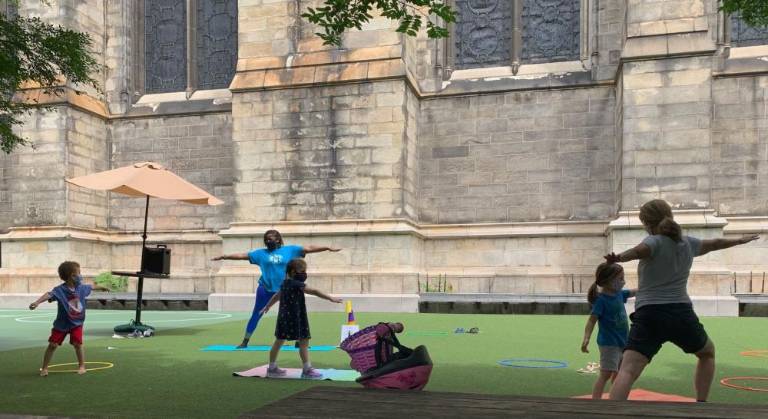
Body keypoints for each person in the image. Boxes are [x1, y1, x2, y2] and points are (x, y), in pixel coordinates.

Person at [604, 199, 759, 402]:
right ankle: (701, 404)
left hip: (649, 315)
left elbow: (637, 251)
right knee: (707, 353)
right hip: (681, 314)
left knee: (628, 370)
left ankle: (609, 413)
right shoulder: (687, 243)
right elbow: (715, 244)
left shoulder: (653, 241)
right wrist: (739, 240)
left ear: (648, 223)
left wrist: (619, 258)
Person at [211, 229, 341, 348]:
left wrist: (327, 248)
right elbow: (242, 255)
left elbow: (309, 248)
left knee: (295, 313)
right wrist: (224, 256)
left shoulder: (290, 250)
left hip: (286, 289)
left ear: (278, 239)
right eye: (266, 239)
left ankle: (298, 341)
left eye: (271, 239)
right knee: (257, 313)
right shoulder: (260, 254)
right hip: (265, 288)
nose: (268, 241)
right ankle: (245, 341)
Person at [259, 258, 342, 378]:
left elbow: (277, 296)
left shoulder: (285, 283)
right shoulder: (296, 284)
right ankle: (307, 369)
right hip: (297, 317)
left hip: (284, 317)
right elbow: (314, 291)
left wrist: (267, 306)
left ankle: (271, 367)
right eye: (302, 271)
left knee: (279, 340)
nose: (304, 273)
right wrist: (330, 298)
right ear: (293, 272)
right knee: (304, 341)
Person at [29, 261, 109, 376]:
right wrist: (37, 302)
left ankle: (82, 366)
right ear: (72, 276)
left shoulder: (81, 288)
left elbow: (91, 286)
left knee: (78, 344)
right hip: (62, 324)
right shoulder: (60, 290)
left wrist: (102, 287)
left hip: (77, 323)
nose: (81, 275)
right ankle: (45, 368)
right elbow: (49, 294)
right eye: (79, 273)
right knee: (53, 345)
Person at [581, 263, 636, 399]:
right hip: (609, 344)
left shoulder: (619, 294)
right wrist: (586, 337)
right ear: (608, 281)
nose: (624, 282)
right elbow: (592, 320)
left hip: (622, 342)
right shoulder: (601, 301)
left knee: (619, 373)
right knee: (605, 374)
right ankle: (596, 401)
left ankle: (614, 397)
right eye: (620, 279)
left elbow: (636, 291)